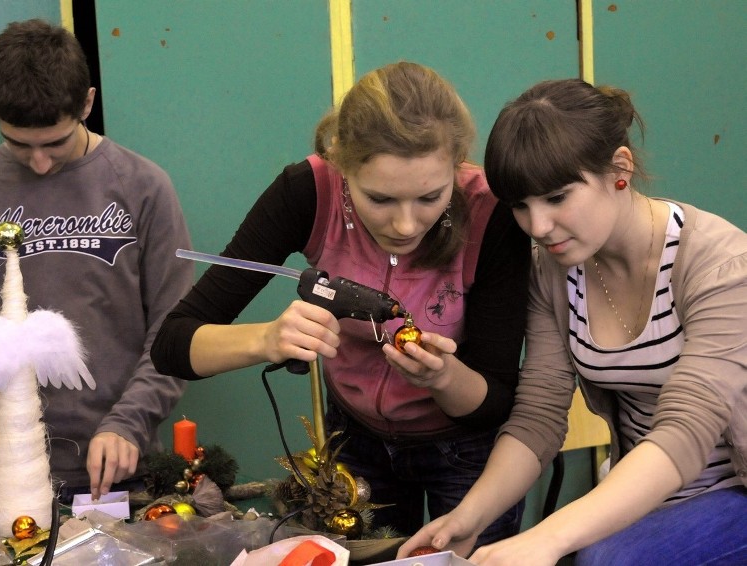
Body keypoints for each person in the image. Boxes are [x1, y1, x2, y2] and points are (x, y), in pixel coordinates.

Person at [151, 61, 531, 542]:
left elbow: (496, 402)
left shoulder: (490, 212)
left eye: (431, 197)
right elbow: (172, 345)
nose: (407, 225)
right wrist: (268, 339)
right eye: (381, 199)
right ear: (342, 165)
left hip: (468, 452)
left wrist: (444, 378)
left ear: (457, 165)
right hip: (354, 446)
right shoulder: (307, 192)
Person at [398, 78, 747, 565]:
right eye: (521, 205)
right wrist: (467, 519)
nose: (537, 227)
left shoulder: (722, 266)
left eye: (557, 197)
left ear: (619, 169)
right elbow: (539, 416)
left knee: (604, 559)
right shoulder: (556, 271)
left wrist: (548, 538)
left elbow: (688, 427)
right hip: (649, 493)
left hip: (735, 492)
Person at [0, 19, 194, 510]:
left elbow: (177, 332)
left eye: (55, 143)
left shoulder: (143, 187)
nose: (39, 163)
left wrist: (130, 421)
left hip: (111, 472)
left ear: (86, 103)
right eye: (20, 144)